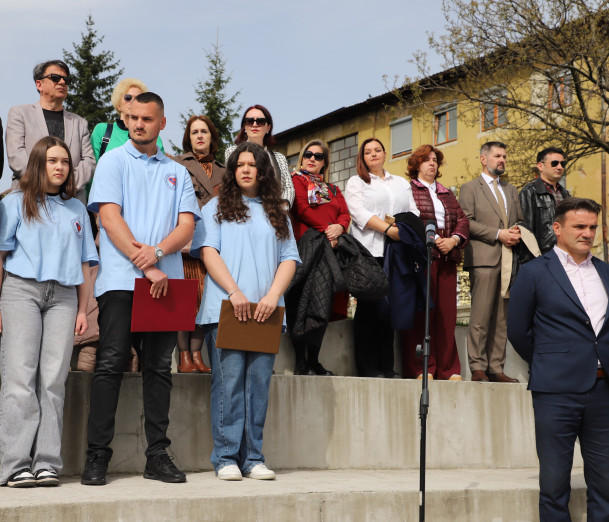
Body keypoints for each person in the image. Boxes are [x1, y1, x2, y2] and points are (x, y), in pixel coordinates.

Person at [81, 92, 200, 486]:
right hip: (120, 281)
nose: (138, 124)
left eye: (147, 119)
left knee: (159, 369)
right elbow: (110, 218)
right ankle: (97, 456)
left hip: (166, 285)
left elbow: (187, 225)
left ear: (162, 123)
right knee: (111, 363)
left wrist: (159, 253)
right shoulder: (112, 161)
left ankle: (157, 456)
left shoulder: (177, 172)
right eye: (133, 117)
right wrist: (147, 265)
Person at [192, 142, 299, 481]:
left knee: (258, 386)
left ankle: (253, 458)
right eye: (240, 165)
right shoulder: (215, 208)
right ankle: (225, 458)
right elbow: (208, 252)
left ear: (263, 170)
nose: (246, 169)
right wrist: (235, 292)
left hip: (266, 311)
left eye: (252, 164)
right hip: (226, 308)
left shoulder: (277, 212)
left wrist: (273, 296)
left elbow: (289, 259)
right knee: (229, 385)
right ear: (232, 170)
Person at [0, 136, 98, 487]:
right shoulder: (14, 202)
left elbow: (86, 264)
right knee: (19, 378)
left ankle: (46, 463)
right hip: (21, 291)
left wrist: (84, 310)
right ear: (38, 163)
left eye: (65, 161)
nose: (59, 167)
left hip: (65, 298)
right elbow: (1, 255)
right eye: (52, 160)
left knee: (54, 381)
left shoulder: (77, 210)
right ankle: (14, 464)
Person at [507, 197, 609, 521]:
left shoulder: (606, 272)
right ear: (557, 228)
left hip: (603, 391)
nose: (587, 233)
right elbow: (518, 330)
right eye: (579, 226)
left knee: (606, 484)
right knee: (554, 484)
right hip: (555, 391)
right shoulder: (534, 272)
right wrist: (550, 362)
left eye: (592, 227)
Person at [344, 138, 419, 378]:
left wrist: (401, 229)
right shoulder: (356, 181)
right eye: (368, 152)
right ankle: (367, 367)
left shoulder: (400, 183)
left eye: (377, 150)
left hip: (396, 251)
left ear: (385, 154)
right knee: (369, 308)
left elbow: (413, 212)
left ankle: (387, 367)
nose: (373, 154)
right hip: (369, 251)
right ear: (362, 158)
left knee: (389, 308)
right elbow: (358, 212)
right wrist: (388, 230)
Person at [403, 145, 469, 381]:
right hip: (422, 255)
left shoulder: (446, 193)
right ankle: (422, 368)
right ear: (416, 164)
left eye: (435, 160)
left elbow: (462, 219)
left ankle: (449, 369)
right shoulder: (408, 189)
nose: (432, 163)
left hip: (448, 254)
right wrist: (431, 238)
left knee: (447, 314)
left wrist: (453, 240)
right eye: (426, 160)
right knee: (423, 313)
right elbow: (408, 219)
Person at [458, 141, 522, 383]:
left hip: (509, 259)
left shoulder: (511, 190)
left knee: (502, 318)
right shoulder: (470, 188)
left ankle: (496, 368)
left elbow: (519, 219)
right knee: (481, 315)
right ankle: (477, 367)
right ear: (484, 159)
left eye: (504, 156)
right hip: (484, 258)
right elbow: (467, 222)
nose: (502, 160)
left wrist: (517, 231)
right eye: (497, 156)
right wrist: (498, 234)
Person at [286, 139, 351, 376]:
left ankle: (314, 359)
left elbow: (345, 214)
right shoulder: (295, 180)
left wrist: (339, 228)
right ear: (302, 158)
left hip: (328, 253)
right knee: (298, 304)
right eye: (308, 154)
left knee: (321, 306)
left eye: (318, 156)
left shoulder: (332, 189)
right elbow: (301, 209)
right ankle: (300, 360)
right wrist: (328, 230)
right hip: (303, 249)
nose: (312, 159)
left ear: (325, 162)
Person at [172, 115, 225, 373]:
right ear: (188, 138)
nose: (200, 136)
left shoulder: (224, 171)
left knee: (205, 299)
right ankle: (184, 356)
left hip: (210, 243)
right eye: (195, 132)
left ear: (212, 136)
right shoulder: (177, 164)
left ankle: (197, 354)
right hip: (185, 241)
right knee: (185, 299)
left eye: (204, 131)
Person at [5, 59, 95, 202]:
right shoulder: (20, 114)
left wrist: (65, 184)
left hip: (70, 201)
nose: (62, 82)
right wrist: (45, 183)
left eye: (66, 79)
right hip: (29, 199)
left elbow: (89, 162)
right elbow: (16, 155)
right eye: (55, 78)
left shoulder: (80, 123)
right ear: (39, 84)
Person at [225, 105, 294, 208]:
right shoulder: (232, 152)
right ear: (244, 126)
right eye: (250, 121)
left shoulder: (279, 158)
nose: (255, 125)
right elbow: (230, 182)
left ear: (268, 127)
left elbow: (288, 187)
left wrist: (284, 207)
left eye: (260, 121)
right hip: (242, 210)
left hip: (274, 212)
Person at [90, 78, 164, 162]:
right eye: (128, 97)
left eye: (138, 99)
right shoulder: (102, 130)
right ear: (119, 105)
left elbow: (161, 167)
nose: (133, 101)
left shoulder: (154, 138)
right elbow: (92, 166)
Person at [518, 146, 570, 261]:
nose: (559, 167)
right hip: (541, 257)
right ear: (540, 166)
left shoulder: (565, 194)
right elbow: (526, 232)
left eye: (563, 164)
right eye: (554, 163)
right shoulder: (529, 192)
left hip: (565, 255)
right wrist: (534, 261)